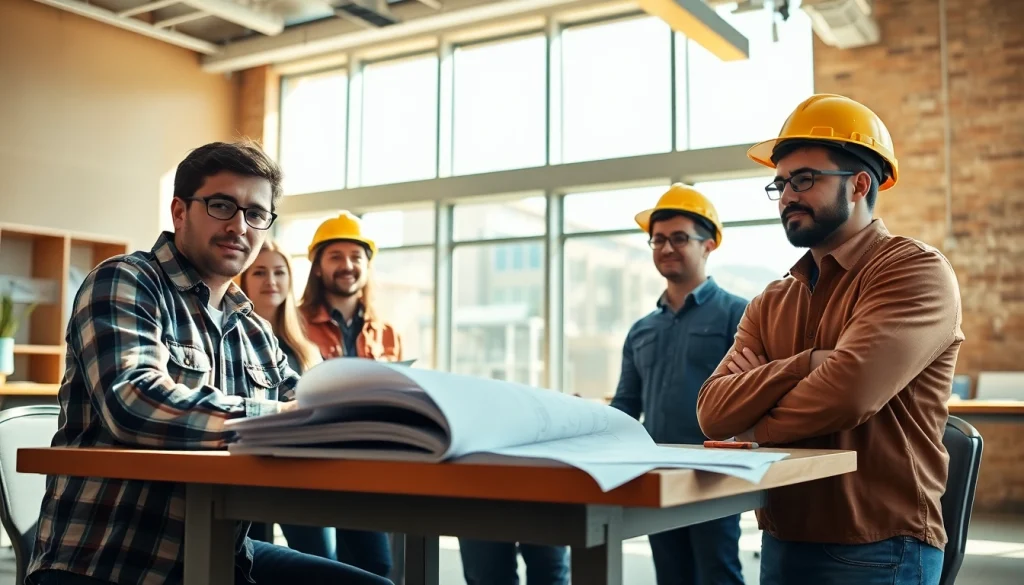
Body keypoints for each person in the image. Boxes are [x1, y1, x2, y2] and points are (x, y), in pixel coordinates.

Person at [26, 141, 392, 585]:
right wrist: (287, 419)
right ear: (180, 211)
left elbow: (311, 402)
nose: (240, 226)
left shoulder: (254, 329)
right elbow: (133, 404)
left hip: (223, 550)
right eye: (222, 206)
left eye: (256, 214)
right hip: (111, 559)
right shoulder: (125, 279)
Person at [696, 94, 963, 585]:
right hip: (782, 539)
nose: (787, 196)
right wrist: (805, 364)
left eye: (805, 179)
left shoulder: (912, 271)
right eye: (780, 184)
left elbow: (850, 394)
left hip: (879, 547)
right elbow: (712, 411)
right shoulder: (772, 300)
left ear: (860, 184)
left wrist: (752, 424)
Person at [609, 183, 748, 585]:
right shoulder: (641, 330)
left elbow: (753, 398)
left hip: (715, 476)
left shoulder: (739, 316)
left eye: (679, 238)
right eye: (658, 240)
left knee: (718, 574)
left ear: (709, 246)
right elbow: (625, 405)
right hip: (658, 477)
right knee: (670, 577)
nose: (666, 247)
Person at [298, 211, 401, 578]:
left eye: (356, 257)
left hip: (370, 469)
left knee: (376, 567)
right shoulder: (294, 324)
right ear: (318, 266)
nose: (348, 265)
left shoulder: (387, 332)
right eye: (336, 256)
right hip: (313, 466)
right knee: (320, 569)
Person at [240, 239, 338, 561]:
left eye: (279, 272)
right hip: (248, 467)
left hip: (302, 470)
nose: (271, 281)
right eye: (260, 273)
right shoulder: (234, 335)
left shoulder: (303, 344)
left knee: (321, 558)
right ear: (243, 279)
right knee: (248, 562)